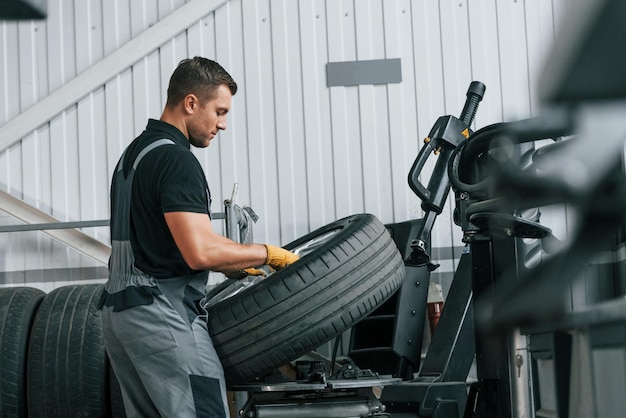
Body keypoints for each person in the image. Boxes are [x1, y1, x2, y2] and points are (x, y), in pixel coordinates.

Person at [99, 56, 299, 418]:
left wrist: (231, 261)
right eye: (219, 111)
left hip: (120, 314)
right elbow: (199, 251)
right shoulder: (177, 161)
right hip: (162, 315)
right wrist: (267, 253)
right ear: (191, 103)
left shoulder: (134, 154)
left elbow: (161, 239)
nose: (222, 125)